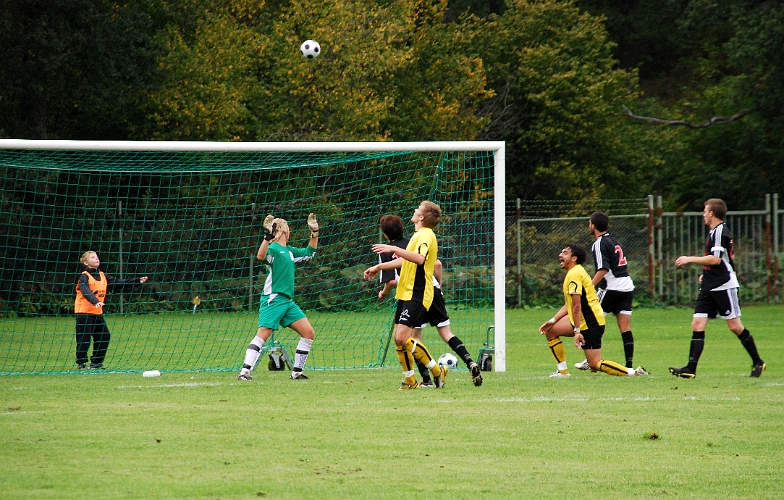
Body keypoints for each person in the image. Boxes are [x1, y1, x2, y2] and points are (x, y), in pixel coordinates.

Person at [375, 214, 483, 388]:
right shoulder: (412, 240)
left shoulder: (415, 239)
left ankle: (427, 378)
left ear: (385, 233)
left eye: (418, 209)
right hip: (432, 289)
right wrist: (438, 285)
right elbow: (437, 264)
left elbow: (395, 278)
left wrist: (382, 292)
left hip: (416, 292)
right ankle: (469, 361)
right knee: (446, 334)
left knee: (412, 337)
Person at [670, 198, 766, 378]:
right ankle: (690, 368)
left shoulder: (720, 231)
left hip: (724, 285)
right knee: (697, 324)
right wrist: (706, 274)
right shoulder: (714, 231)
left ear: (712, 213)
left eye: (705, 211)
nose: (704, 215)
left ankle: (758, 362)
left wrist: (689, 259)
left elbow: (716, 259)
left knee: (735, 326)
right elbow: (722, 259)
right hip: (710, 285)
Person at [363, 201, 448, 390]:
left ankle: (436, 371)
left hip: (417, 292)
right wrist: (379, 267)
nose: (414, 210)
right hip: (405, 292)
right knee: (399, 338)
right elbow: (405, 261)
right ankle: (410, 380)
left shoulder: (425, 234)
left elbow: (419, 259)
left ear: (422, 217)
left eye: (418, 208)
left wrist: (392, 249)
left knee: (403, 338)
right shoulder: (416, 236)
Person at [539, 243, 649, 378]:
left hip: (591, 323)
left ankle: (634, 372)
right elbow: (569, 304)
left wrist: (577, 331)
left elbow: (577, 306)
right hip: (583, 320)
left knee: (594, 364)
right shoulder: (574, 272)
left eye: (565, 253)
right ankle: (563, 372)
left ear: (574, 258)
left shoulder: (574, 274)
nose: (560, 255)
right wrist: (552, 320)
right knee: (551, 330)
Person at [237, 214, 319, 381]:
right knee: (264, 333)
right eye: (288, 229)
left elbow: (310, 253)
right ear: (282, 230)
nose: (290, 232)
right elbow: (261, 256)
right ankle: (244, 372)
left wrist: (315, 232)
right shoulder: (273, 249)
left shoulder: (289, 251)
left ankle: (296, 372)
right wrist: (267, 237)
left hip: (287, 302)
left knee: (308, 332)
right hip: (273, 299)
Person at [575, 211, 636, 370]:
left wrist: (588, 287)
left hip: (611, 287)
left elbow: (602, 269)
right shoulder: (615, 241)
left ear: (593, 226)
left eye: (589, 223)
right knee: (625, 328)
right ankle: (629, 365)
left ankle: (591, 360)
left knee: (590, 321)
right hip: (627, 286)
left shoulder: (599, 243)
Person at [74, 251, 148, 370]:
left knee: (104, 336)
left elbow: (119, 283)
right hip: (83, 312)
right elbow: (85, 290)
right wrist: (95, 301)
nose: (97, 259)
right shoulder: (84, 276)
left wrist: (137, 281)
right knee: (84, 338)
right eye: (93, 257)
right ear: (86, 262)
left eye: (97, 256)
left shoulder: (103, 275)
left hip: (97, 312)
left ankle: (96, 363)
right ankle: (81, 363)